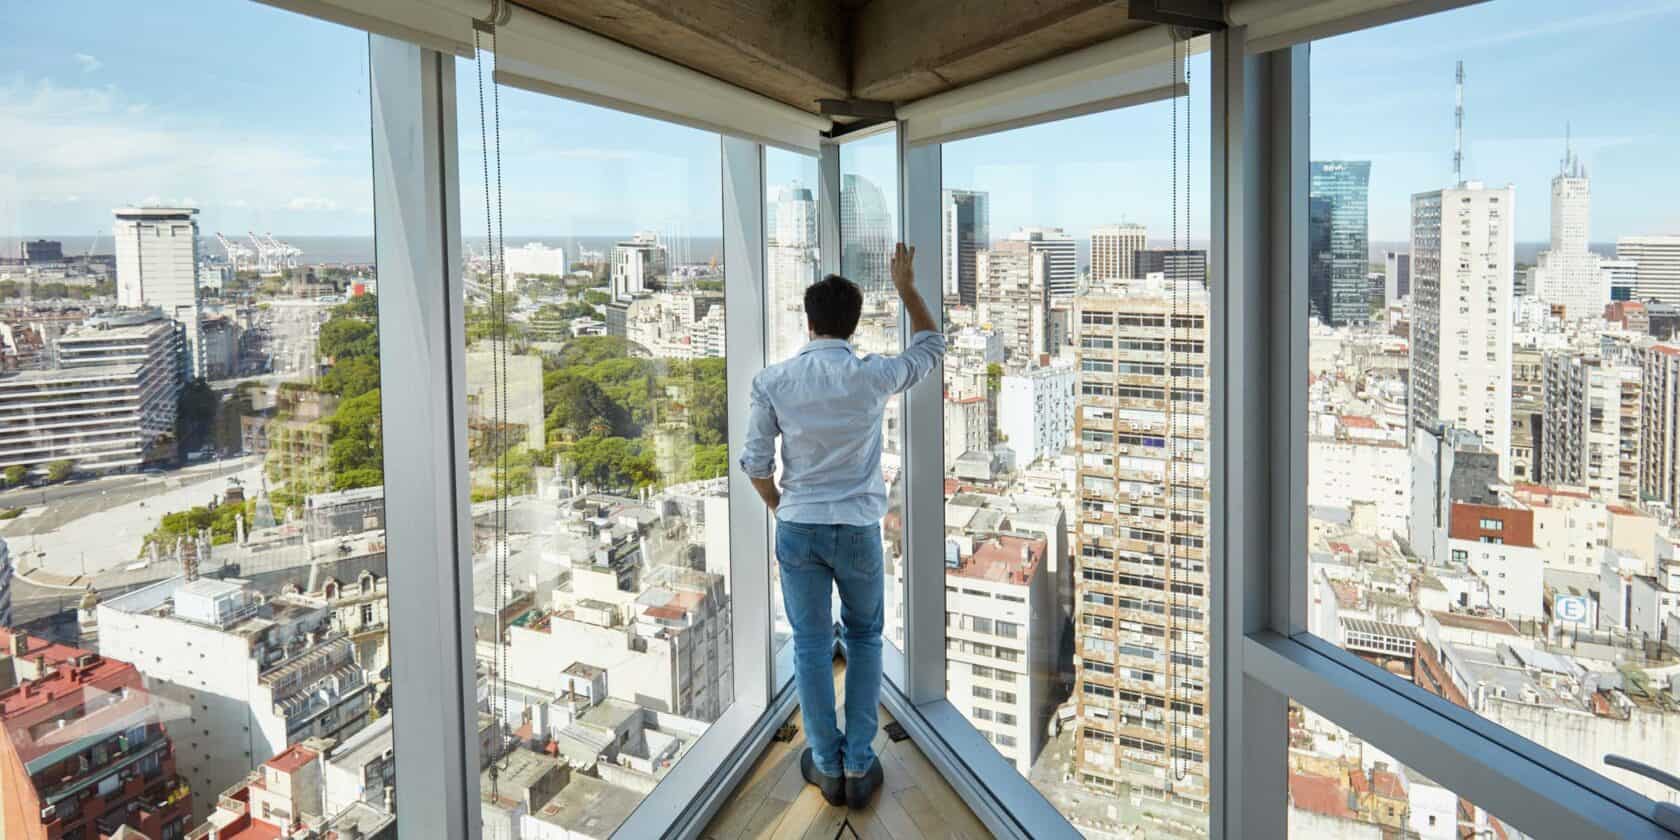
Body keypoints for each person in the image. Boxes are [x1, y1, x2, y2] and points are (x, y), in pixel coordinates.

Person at [739, 243, 944, 808]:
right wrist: (906, 289)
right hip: (856, 529)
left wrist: (784, 508)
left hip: (799, 526)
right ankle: (859, 761)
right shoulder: (872, 376)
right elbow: (931, 346)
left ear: (809, 323)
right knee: (863, 637)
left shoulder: (774, 381)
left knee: (809, 644)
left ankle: (825, 765)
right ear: (853, 327)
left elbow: (755, 464)